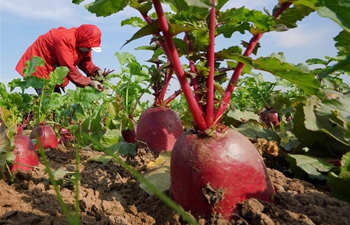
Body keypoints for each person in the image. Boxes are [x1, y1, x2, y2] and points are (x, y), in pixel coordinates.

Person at [15, 24, 104, 93]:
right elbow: (68, 67)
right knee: (48, 100)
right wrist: (89, 82)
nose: (89, 50)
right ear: (83, 41)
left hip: (53, 67)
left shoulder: (84, 43)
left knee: (55, 100)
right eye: (89, 48)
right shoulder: (64, 39)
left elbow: (85, 61)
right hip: (39, 66)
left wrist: (95, 71)